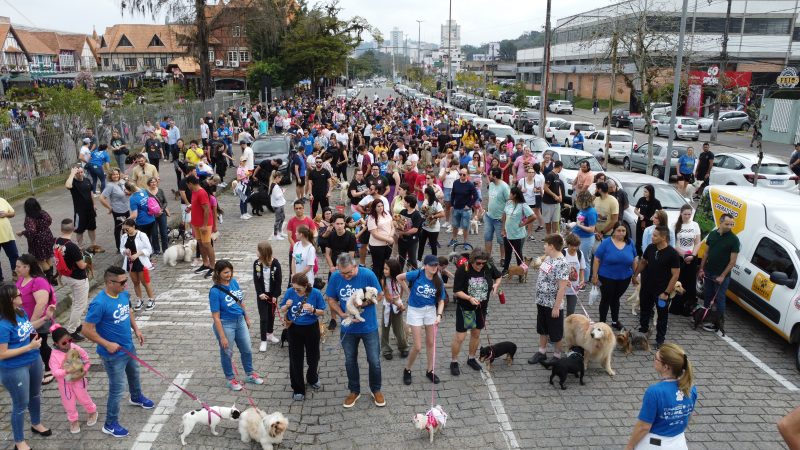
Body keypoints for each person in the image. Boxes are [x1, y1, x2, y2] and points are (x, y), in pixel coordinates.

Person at [81, 266, 154, 438]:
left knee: (134, 374)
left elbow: (127, 311)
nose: (125, 285)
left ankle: (136, 397)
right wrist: (106, 344)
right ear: (109, 282)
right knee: (117, 389)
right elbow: (86, 330)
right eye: (122, 282)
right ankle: (110, 424)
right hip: (112, 355)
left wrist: (136, 329)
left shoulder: (123, 294)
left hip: (128, 347)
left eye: (126, 281)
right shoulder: (99, 303)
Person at [325, 253, 385, 408]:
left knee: (374, 360)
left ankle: (376, 390)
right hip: (348, 328)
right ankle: (354, 390)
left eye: (348, 272)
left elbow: (379, 295)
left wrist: (363, 304)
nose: (345, 276)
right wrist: (341, 313)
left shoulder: (368, 275)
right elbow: (331, 299)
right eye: (342, 272)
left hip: (368, 327)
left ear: (355, 266)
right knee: (350, 361)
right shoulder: (335, 277)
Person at [0, 282, 56, 450]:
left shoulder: (20, 312)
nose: (21, 296)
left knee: (35, 395)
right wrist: (28, 347)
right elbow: (2, 354)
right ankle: (19, 441)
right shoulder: (2, 325)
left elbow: (28, 328)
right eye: (18, 295)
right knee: (20, 404)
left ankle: (36, 423)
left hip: (33, 359)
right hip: (15, 368)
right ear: (10, 300)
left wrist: (45, 318)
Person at [625, 343, 696, 450]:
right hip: (678, 443)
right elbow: (687, 416)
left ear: (666, 367)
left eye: (656, 358)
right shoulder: (691, 388)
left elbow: (644, 427)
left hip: (654, 444)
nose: (654, 360)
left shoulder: (654, 392)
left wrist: (630, 446)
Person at [209, 260, 264, 392]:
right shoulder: (215, 291)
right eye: (226, 272)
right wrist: (222, 337)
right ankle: (230, 378)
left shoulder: (234, 282)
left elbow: (239, 301)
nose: (229, 274)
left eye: (230, 271)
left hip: (240, 321)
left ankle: (250, 374)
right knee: (227, 352)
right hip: (225, 324)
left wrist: (246, 317)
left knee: (247, 349)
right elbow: (215, 317)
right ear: (218, 273)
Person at [450, 248, 501, 375]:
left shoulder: (488, 266)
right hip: (466, 308)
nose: (481, 266)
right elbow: (456, 291)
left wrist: (496, 285)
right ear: (472, 261)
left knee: (476, 334)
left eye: (483, 263)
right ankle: (454, 361)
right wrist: (469, 298)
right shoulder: (463, 269)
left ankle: (471, 358)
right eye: (478, 263)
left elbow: (499, 276)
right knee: (460, 337)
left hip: (481, 308)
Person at [398, 255, 446, 385]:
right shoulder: (417, 274)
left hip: (430, 311)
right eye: (431, 265)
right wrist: (408, 291)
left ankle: (430, 370)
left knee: (431, 342)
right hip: (415, 311)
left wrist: (439, 315)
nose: (434, 267)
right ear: (425, 265)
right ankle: (407, 369)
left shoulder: (438, 280)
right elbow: (399, 278)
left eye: (436, 265)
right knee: (418, 346)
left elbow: (441, 300)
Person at [279, 273, 326, 401]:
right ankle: (298, 388)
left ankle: (312, 378)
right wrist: (286, 306)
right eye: (294, 288)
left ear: (306, 286)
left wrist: (313, 310)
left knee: (313, 356)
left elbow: (322, 311)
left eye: (298, 289)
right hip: (294, 329)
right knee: (295, 359)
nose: (295, 291)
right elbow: (281, 309)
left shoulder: (315, 293)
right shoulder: (290, 292)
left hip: (311, 328)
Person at [632, 225, 680, 347]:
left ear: (663, 237)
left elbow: (675, 275)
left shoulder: (672, 254)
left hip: (661, 291)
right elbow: (643, 261)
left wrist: (666, 293)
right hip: (647, 287)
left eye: (655, 235)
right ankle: (643, 331)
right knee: (644, 310)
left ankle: (660, 339)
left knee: (662, 316)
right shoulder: (650, 248)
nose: (652, 237)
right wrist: (635, 274)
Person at [528, 234, 571, 365]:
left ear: (552, 246)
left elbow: (562, 288)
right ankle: (542, 352)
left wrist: (557, 307)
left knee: (556, 331)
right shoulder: (548, 258)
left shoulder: (562, 263)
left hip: (552, 304)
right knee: (542, 327)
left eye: (545, 245)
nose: (544, 247)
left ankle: (557, 355)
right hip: (541, 301)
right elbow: (540, 269)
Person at [14, 254, 56, 385]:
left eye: (18, 266)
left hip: (38, 320)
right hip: (26, 320)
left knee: (41, 344)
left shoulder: (38, 281)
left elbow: (41, 304)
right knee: (32, 345)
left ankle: (50, 369)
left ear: (28, 267)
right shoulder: (22, 279)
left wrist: (31, 324)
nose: (16, 269)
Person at [49, 324, 97, 434]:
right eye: (64, 343)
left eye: (69, 340)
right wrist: (66, 371)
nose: (68, 344)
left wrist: (85, 369)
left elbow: (86, 359)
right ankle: (73, 420)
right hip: (65, 384)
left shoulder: (75, 347)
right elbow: (54, 371)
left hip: (79, 380)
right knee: (68, 403)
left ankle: (92, 411)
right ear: (56, 344)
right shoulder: (54, 355)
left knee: (84, 397)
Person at [592, 222, 638, 331]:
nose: (621, 233)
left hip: (624, 278)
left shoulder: (630, 242)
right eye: (619, 230)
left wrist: (635, 275)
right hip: (606, 277)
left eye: (623, 231)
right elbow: (597, 259)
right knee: (606, 299)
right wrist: (594, 276)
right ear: (614, 231)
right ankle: (602, 323)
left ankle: (614, 321)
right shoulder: (606, 243)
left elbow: (635, 259)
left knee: (616, 299)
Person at [698, 213, 739, 332]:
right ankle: (705, 317)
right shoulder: (712, 234)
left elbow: (732, 261)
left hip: (721, 276)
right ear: (720, 223)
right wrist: (701, 268)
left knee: (720, 299)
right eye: (727, 224)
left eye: (732, 224)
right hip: (708, 272)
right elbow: (706, 253)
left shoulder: (734, 240)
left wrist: (722, 276)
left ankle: (718, 323)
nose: (730, 226)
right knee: (707, 295)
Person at [54, 219, 89, 342]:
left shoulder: (57, 242)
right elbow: (82, 265)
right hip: (78, 278)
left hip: (66, 276)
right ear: (73, 229)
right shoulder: (72, 246)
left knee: (76, 301)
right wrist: (87, 259)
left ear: (61, 229)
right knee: (80, 304)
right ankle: (71, 330)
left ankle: (77, 324)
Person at [119, 219, 155, 311]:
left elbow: (149, 249)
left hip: (140, 261)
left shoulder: (141, 235)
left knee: (145, 282)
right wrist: (125, 251)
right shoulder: (124, 237)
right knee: (135, 282)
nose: (125, 231)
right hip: (130, 261)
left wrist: (138, 254)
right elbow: (121, 248)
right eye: (124, 229)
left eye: (127, 229)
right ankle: (140, 299)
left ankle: (151, 299)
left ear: (133, 226)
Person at [65, 166, 103, 252]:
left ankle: (93, 245)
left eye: (81, 172)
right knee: (79, 230)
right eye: (77, 172)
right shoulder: (73, 182)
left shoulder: (87, 180)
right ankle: (80, 247)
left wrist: (94, 205)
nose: (79, 174)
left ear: (83, 172)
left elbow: (90, 193)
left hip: (90, 210)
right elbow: (68, 185)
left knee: (92, 228)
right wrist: (72, 174)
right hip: (80, 211)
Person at [253, 241, 282, 351]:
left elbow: (278, 281)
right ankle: (263, 340)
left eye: (258, 250)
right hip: (262, 295)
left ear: (263, 253)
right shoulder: (257, 263)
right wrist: (260, 293)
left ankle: (270, 333)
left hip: (272, 295)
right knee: (264, 318)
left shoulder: (275, 264)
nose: (256, 252)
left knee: (271, 315)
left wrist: (275, 295)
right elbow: (256, 280)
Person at [16, 198, 54, 282]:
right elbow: (50, 220)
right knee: (48, 256)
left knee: (40, 260)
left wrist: (22, 232)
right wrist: (43, 228)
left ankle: (49, 278)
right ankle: (52, 277)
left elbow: (32, 231)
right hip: (48, 237)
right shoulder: (43, 213)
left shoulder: (29, 218)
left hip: (38, 241)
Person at [673, 204, 701, 315]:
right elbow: (674, 244)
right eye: (685, 214)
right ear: (681, 213)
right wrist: (684, 255)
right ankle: (675, 307)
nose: (687, 216)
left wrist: (692, 255)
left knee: (690, 283)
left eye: (689, 214)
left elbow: (697, 242)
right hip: (679, 258)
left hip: (692, 257)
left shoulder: (695, 225)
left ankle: (688, 308)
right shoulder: (675, 225)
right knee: (679, 281)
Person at [501, 186, 536, 275]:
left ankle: (521, 271)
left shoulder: (523, 205)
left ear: (515, 195)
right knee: (507, 252)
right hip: (508, 233)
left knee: (518, 253)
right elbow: (504, 215)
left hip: (518, 234)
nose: (509, 195)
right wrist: (503, 228)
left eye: (510, 193)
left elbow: (533, 216)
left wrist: (524, 223)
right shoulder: (508, 203)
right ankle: (505, 269)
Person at [186, 175, 216, 278]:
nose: (187, 187)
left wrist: (204, 225)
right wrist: (190, 208)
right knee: (200, 244)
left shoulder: (201, 192)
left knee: (207, 244)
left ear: (190, 183)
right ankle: (205, 263)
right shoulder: (193, 192)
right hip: (196, 223)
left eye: (187, 185)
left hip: (205, 224)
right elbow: (195, 204)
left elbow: (207, 209)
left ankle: (213, 266)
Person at [381, 259, 409, 360]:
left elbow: (401, 292)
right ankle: (386, 349)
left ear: (393, 270)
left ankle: (403, 347)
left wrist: (400, 303)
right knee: (385, 327)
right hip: (388, 306)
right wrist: (398, 304)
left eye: (387, 269)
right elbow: (388, 297)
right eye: (384, 268)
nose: (384, 271)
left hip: (398, 305)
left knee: (399, 328)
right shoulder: (384, 280)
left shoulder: (400, 279)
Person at [98, 169, 129, 251]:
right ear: (110, 176)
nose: (116, 176)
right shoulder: (110, 186)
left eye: (117, 174)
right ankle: (119, 247)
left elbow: (129, 189)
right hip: (118, 210)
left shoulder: (121, 182)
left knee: (127, 227)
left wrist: (127, 180)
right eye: (114, 174)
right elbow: (101, 198)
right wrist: (109, 207)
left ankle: (126, 244)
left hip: (126, 208)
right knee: (119, 228)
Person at [366, 199, 395, 283]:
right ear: (374, 207)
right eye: (378, 206)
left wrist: (390, 237)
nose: (380, 208)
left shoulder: (386, 213)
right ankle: (376, 283)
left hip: (388, 243)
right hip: (377, 245)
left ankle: (383, 281)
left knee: (385, 264)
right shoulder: (372, 218)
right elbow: (374, 233)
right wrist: (387, 239)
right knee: (377, 265)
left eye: (381, 205)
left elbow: (392, 226)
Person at [485, 168, 510, 262]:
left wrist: (505, 218)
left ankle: (503, 258)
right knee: (487, 237)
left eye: (490, 175)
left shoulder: (504, 187)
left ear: (495, 176)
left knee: (501, 240)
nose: (489, 176)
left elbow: (509, 202)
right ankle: (487, 257)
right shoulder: (491, 184)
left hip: (499, 218)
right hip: (488, 216)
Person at [448, 168, 478, 246]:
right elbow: (453, 194)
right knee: (455, 225)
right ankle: (454, 239)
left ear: (467, 175)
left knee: (465, 227)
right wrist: (452, 204)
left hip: (466, 210)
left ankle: (465, 242)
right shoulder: (456, 183)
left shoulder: (470, 185)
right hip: (456, 208)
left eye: (464, 174)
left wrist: (469, 205)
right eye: (460, 174)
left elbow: (476, 196)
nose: (462, 176)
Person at [571, 191, 597, 274]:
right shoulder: (583, 209)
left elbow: (591, 229)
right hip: (578, 237)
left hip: (586, 239)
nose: (576, 201)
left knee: (584, 261)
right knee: (576, 259)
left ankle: (584, 282)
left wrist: (579, 225)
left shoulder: (591, 212)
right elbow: (580, 221)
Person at [562, 234, 587, 315]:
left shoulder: (580, 253)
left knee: (571, 310)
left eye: (576, 246)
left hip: (574, 287)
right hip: (561, 286)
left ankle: (568, 326)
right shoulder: (562, 253)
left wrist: (582, 280)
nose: (574, 248)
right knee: (559, 309)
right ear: (567, 244)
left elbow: (582, 269)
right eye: (572, 246)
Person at [418, 186, 444, 261]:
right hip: (425, 226)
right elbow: (423, 211)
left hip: (433, 228)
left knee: (433, 246)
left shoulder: (436, 203)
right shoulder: (425, 201)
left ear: (427, 194)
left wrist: (433, 216)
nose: (424, 195)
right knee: (421, 245)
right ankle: (419, 260)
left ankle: (434, 261)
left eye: (424, 193)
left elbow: (442, 214)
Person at [634, 185, 662, 255]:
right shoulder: (641, 199)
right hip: (641, 222)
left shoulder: (656, 201)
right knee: (639, 240)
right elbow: (635, 210)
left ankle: (648, 254)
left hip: (650, 224)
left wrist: (654, 216)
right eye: (644, 191)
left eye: (646, 192)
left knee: (648, 239)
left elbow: (661, 211)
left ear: (650, 192)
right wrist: (639, 215)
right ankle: (638, 255)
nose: (644, 193)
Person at [397, 195, 423, 270]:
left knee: (412, 260)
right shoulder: (403, 212)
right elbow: (398, 223)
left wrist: (403, 233)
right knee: (401, 259)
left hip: (412, 241)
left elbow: (415, 229)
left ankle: (415, 275)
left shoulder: (417, 214)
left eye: (404, 201)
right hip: (402, 240)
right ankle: (399, 274)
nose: (403, 203)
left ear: (408, 203)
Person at [145, 177, 169, 255]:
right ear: (149, 183)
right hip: (152, 216)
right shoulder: (146, 192)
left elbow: (165, 202)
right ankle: (156, 250)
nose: (154, 183)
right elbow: (145, 204)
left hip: (162, 214)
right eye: (151, 182)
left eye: (155, 182)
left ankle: (165, 249)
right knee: (154, 233)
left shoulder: (160, 190)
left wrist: (161, 210)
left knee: (164, 233)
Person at [541, 161, 564, 235]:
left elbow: (558, 187)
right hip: (548, 203)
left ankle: (555, 238)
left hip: (556, 203)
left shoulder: (557, 175)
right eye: (561, 168)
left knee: (556, 221)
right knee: (548, 223)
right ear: (560, 167)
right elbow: (545, 187)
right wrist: (554, 195)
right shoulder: (550, 175)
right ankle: (548, 237)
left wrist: (560, 196)